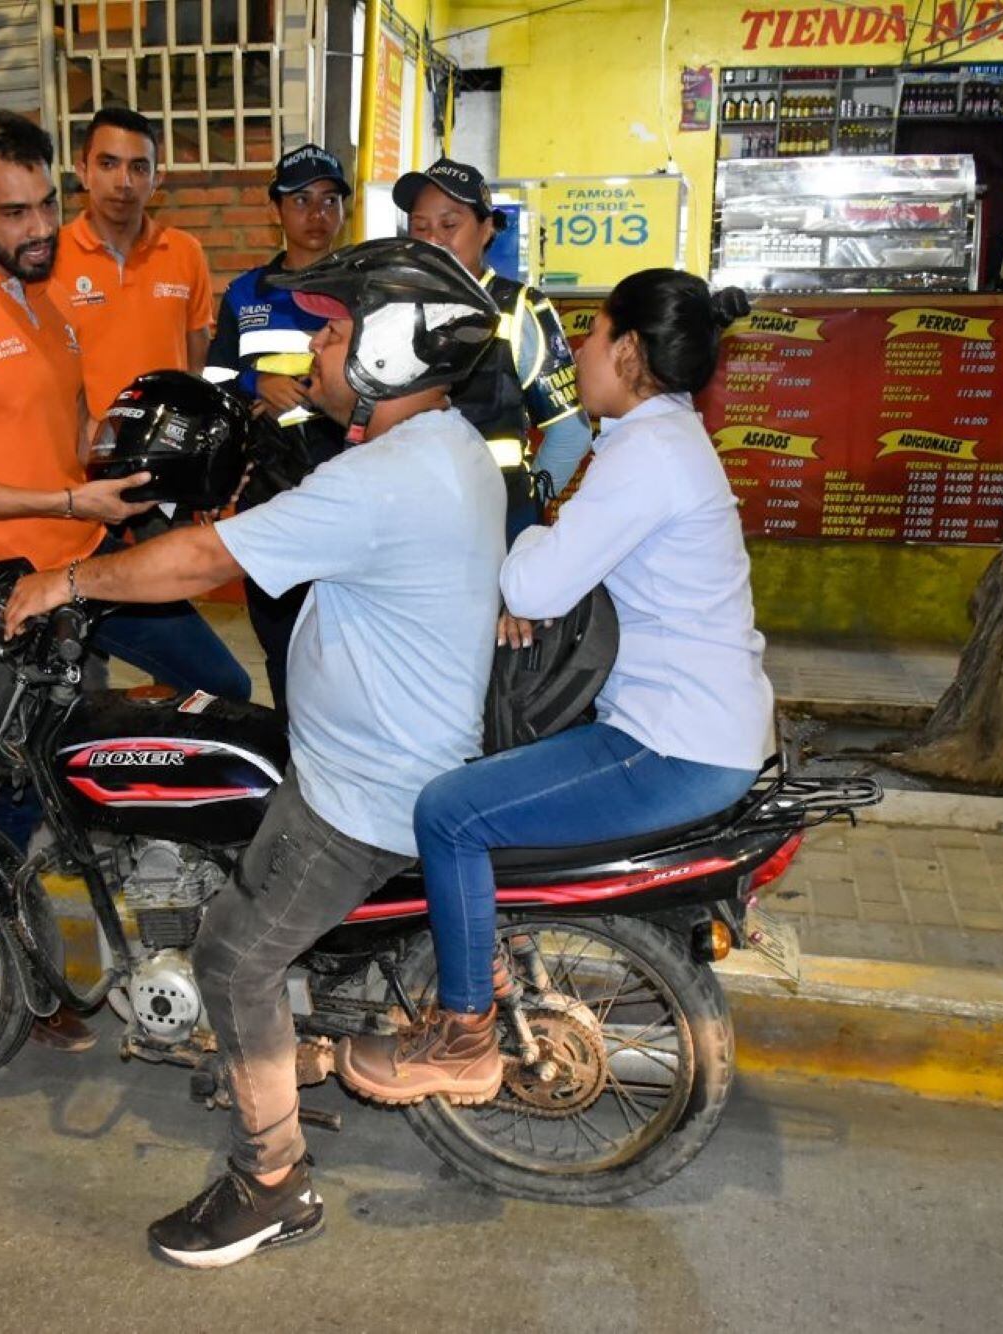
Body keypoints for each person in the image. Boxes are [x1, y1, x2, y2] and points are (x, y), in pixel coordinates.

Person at [4, 238, 507, 1269]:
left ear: (395, 350)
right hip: (382, 750)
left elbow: (200, 558)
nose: (317, 346)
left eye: (336, 330)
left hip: (361, 786)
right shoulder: (443, 448)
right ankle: (301, 1059)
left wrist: (70, 583)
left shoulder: (385, 477)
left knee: (232, 953)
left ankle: (268, 1180)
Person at [337, 270, 773, 1105]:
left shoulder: (645, 454)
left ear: (632, 352)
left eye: (595, 333)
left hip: (668, 746)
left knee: (450, 811)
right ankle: (482, 955)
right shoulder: (667, 439)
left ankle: (463, 1036)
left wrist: (536, 538)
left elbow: (536, 587)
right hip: (704, 728)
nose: (580, 350)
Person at [0, 111, 250, 1051]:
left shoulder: (39, 300)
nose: (41, 227)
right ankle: (37, 982)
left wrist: (144, 482)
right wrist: (65, 499)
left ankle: (147, 884)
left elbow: (67, 427)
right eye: (15, 212)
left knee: (220, 694)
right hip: (10, 587)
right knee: (17, 779)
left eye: (48, 204)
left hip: (83, 563)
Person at [206, 143, 351, 715]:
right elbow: (213, 376)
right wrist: (252, 382)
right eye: (301, 200)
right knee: (281, 638)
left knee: (344, 642)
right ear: (277, 210)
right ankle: (296, 757)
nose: (317, 214)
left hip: (347, 484)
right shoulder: (246, 294)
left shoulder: (364, 290)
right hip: (270, 490)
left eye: (330, 200)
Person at [395, 157, 591, 538]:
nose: (434, 239)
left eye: (450, 225)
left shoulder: (517, 307)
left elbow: (571, 433)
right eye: (421, 227)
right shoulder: (394, 310)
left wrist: (527, 505)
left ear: (486, 229)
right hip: (411, 517)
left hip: (495, 522)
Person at [51, 107, 216, 420]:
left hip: (164, 446)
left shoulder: (186, 252)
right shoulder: (51, 257)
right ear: (83, 171)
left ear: (157, 179)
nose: (123, 181)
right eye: (108, 163)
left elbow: (197, 360)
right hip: (83, 451)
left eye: (139, 167)